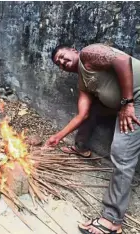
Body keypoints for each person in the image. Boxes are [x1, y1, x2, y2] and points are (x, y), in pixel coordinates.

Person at [44, 43, 140, 234]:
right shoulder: (83, 82)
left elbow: (123, 60)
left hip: (136, 99)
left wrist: (127, 103)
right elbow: (82, 114)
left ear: (74, 50)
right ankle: (81, 147)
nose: (62, 62)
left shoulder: (89, 54)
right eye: (59, 63)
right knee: (94, 109)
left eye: (63, 56)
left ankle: (112, 220)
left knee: (121, 154)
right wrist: (57, 137)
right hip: (126, 102)